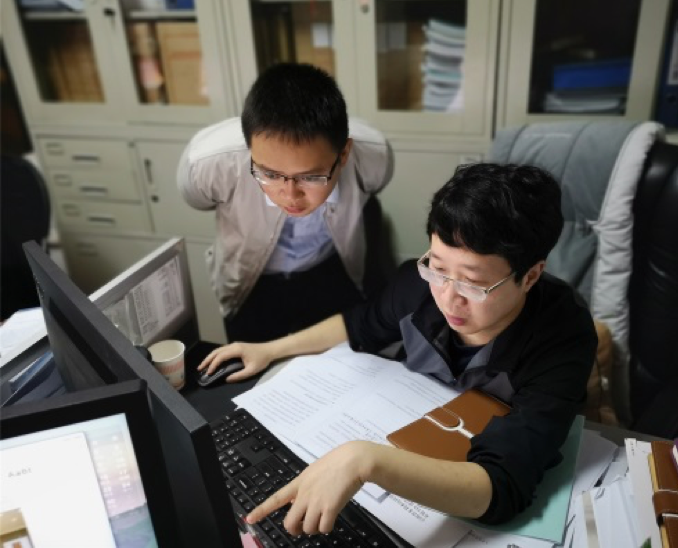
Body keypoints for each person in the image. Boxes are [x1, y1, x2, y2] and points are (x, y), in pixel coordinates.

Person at [199, 163, 597, 531]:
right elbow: (359, 325)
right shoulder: (416, 287)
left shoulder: (563, 337)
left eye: (473, 284)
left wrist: (366, 460)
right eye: (438, 268)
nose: (448, 298)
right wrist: (271, 349)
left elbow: (501, 486)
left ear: (530, 276)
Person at [177, 63, 394, 343]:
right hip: (252, 283)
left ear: (343, 155)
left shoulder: (374, 158)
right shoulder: (206, 166)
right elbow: (198, 200)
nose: (290, 196)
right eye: (270, 174)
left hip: (329, 270)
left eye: (311, 177)